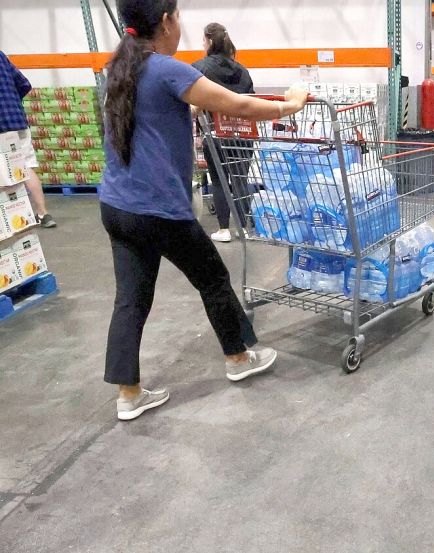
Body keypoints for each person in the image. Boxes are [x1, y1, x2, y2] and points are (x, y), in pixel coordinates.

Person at [101, 0, 308, 421]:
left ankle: (129, 395)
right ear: (165, 21)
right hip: (159, 210)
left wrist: (190, 106)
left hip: (116, 206)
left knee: (130, 299)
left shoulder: (119, 69)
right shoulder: (167, 68)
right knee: (213, 278)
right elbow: (241, 105)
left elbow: (156, 113)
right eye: (177, 17)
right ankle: (237, 359)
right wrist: (291, 105)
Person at [192, 22, 254, 243]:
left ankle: (224, 229)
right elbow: (251, 100)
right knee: (240, 178)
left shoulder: (199, 68)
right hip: (243, 134)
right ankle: (244, 227)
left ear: (209, 41)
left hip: (215, 133)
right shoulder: (243, 71)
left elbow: (192, 98)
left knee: (218, 179)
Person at [0, 51, 57, 228]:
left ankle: (12, 220)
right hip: (18, 121)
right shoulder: (1, 56)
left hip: (1, 127)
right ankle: (43, 214)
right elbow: (24, 84)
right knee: (25, 167)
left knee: (4, 174)